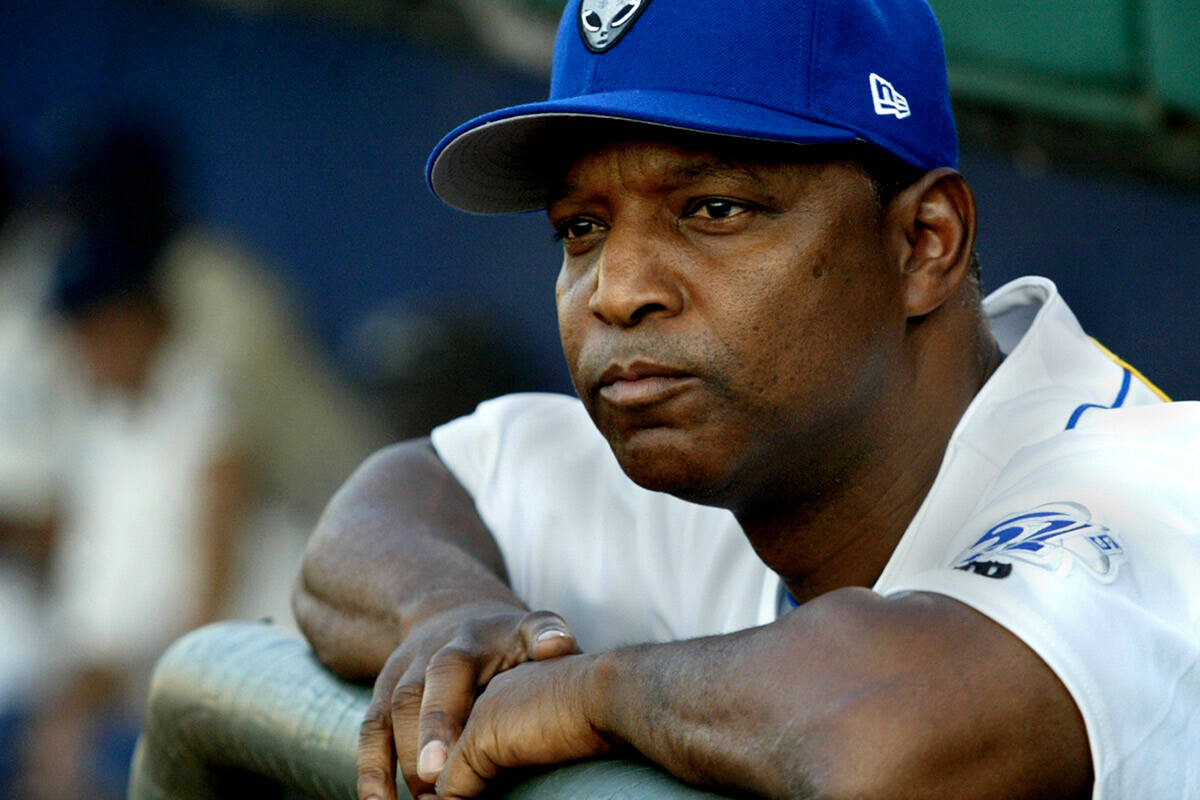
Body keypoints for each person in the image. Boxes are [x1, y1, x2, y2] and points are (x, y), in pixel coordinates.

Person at [292, 1, 1200, 798]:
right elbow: (395, 502)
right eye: (582, 227)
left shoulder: (1157, 481)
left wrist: (588, 693)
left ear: (925, 243)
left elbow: (885, 740)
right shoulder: (753, 456)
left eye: (714, 210)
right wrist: (448, 622)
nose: (616, 289)